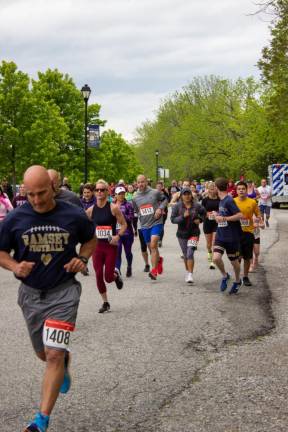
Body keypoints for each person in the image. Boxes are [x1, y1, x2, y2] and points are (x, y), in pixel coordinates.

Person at [0, 165, 96, 432]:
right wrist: (14, 266)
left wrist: (82, 258)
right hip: (30, 295)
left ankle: (40, 421)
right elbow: (1, 252)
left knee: (53, 353)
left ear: (54, 187)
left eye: (42, 193)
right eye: (30, 194)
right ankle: (63, 362)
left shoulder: (72, 214)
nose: (37, 200)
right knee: (43, 353)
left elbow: (90, 240)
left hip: (63, 293)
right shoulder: (15, 218)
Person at [86, 179, 127, 313]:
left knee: (108, 278)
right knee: (98, 275)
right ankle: (105, 302)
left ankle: (115, 276)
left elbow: (124, 225)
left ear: (107, 192)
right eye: (97, 190)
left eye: (102, 190)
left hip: (110, 247)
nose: (99, 192)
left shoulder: (113, 208)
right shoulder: (90, 210)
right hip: (97, 247)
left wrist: (117, 236)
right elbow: (84, 226)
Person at [132, 174, 168, 280]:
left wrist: (160, 208)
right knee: (151, 248)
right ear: (136, 183)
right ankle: (159, 260)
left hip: (156, 222)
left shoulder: (155, 192)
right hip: (144, 225)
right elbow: (137, 210)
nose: (141, 184)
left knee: (153, 245)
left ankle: (153, 271)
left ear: (146, 182)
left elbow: (165, 200)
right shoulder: (134, 197)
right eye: (139, 182)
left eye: (142, 182)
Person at [212, 177, 243, 294]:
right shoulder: (221, 200)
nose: (212, 188)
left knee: (234, 263)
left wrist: (223, 218)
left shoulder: (229, 200)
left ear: (217, 187)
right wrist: (217, 215)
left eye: (214, 186)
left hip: (232, 237)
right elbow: (223, 215)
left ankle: (238, 280)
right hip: (221, 235)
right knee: (216, 258)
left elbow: (240, 215)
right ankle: (225, 275)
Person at [171, 187, 206, 283]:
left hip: (194, 233)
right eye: (185, 194)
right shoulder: (177, 206)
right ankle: (188, 272)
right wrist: (183, 217)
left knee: (190, 252)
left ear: (191, 195)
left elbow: (204, 213)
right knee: (186, 254)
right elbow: (173, 220)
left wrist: (200, 219)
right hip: (182, 234)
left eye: (188, 194)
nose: (187, 196)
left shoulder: (197, 206)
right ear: (181, 196)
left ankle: (190, 274)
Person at [234, 181, 262, 286]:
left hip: (248, 233)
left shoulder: (252, 202)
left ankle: (245, 277)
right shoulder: (232, 201)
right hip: (236, 233)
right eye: (239, 189)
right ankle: (237, 277)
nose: (241, 190)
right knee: (238, 257)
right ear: (236, 191)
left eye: (243, 189)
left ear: (246, 190)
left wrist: (257, 220)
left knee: (247, 257)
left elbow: (258, 215)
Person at [114, 185, 134, 277]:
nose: (121, 196)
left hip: (127, 233)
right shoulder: (112, 205)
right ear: (116, 195)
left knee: (128, 252)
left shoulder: (128, 205)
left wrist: (120, 214)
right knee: (117, 252)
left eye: (123, 194)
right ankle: (117, 270)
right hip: (117, 233)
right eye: (119, 194)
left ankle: (129, 266)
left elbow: (131, 218)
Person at [201, 182, 220, 269]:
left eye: (214, 188)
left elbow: (223, 210)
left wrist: (218, 213)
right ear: (208, 190)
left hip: (217, 223)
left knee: (214, 242)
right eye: (211, 189)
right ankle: (209, 254)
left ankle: (212, 261)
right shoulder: (205, 200)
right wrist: (206, 214)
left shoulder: (220, 199)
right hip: (207, 223)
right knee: (208, 244)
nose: (212, 190)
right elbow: (201, 212)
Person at [156, 181, 169, 247]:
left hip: (164, 212)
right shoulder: (154, 193)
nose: (159, 187)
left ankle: (160, 240)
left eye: (160, 186)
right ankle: (156, 238)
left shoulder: (165, 193)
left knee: (161, 225)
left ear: (162, 187)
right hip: (156, 211)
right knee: (156, 225)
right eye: (157, 186)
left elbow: (168, 200)